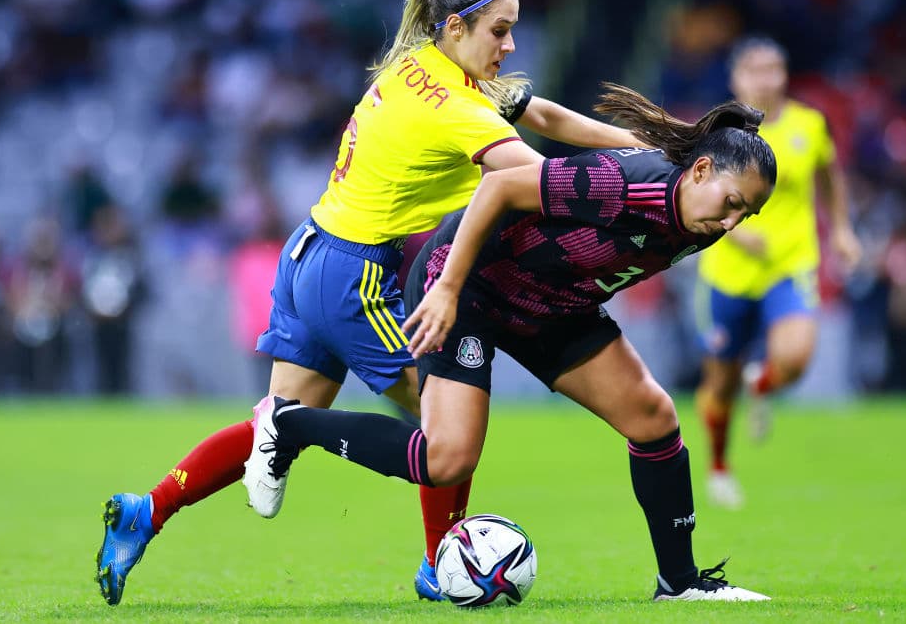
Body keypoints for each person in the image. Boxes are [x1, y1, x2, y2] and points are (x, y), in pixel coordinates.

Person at [95, 0, 646, 606]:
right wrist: (642, 188)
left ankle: (147, 510)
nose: (511, 45)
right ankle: (439, 562)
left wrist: (640, 145)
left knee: (279, 423)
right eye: (500, 31)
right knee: (449, 425)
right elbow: (537, 179)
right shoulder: (457, 108)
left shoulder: (421, 65)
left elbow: (544, 115)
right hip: (352, 276)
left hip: (308, 254)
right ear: (457, 27)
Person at [244, 85, 777, 602]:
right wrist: (447, 288)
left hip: (555, 304)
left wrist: (520, 102)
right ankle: (287, 423)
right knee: (447, 458)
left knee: (653, 419)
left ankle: (680, 584)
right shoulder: (619, 183)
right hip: (471, 288)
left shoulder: (703, 214)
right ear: (700, 171)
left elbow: (565, 129)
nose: (731, 221)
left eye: (746, 214)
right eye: (732, 203)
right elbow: (498, 187)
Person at [692, 36, 861, 509]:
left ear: (785, 74)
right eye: (754, 69)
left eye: (773, 69)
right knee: (719, 383)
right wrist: (733, 233)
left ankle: (761, 384)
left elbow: (830, 175)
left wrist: (842, 229)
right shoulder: (718, 132)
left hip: (790, 261)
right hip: (728, 271)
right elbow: (692, 191)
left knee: (796, 357)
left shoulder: (810, 125)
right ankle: (719, 467)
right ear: (735, 78)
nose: (764, 79)